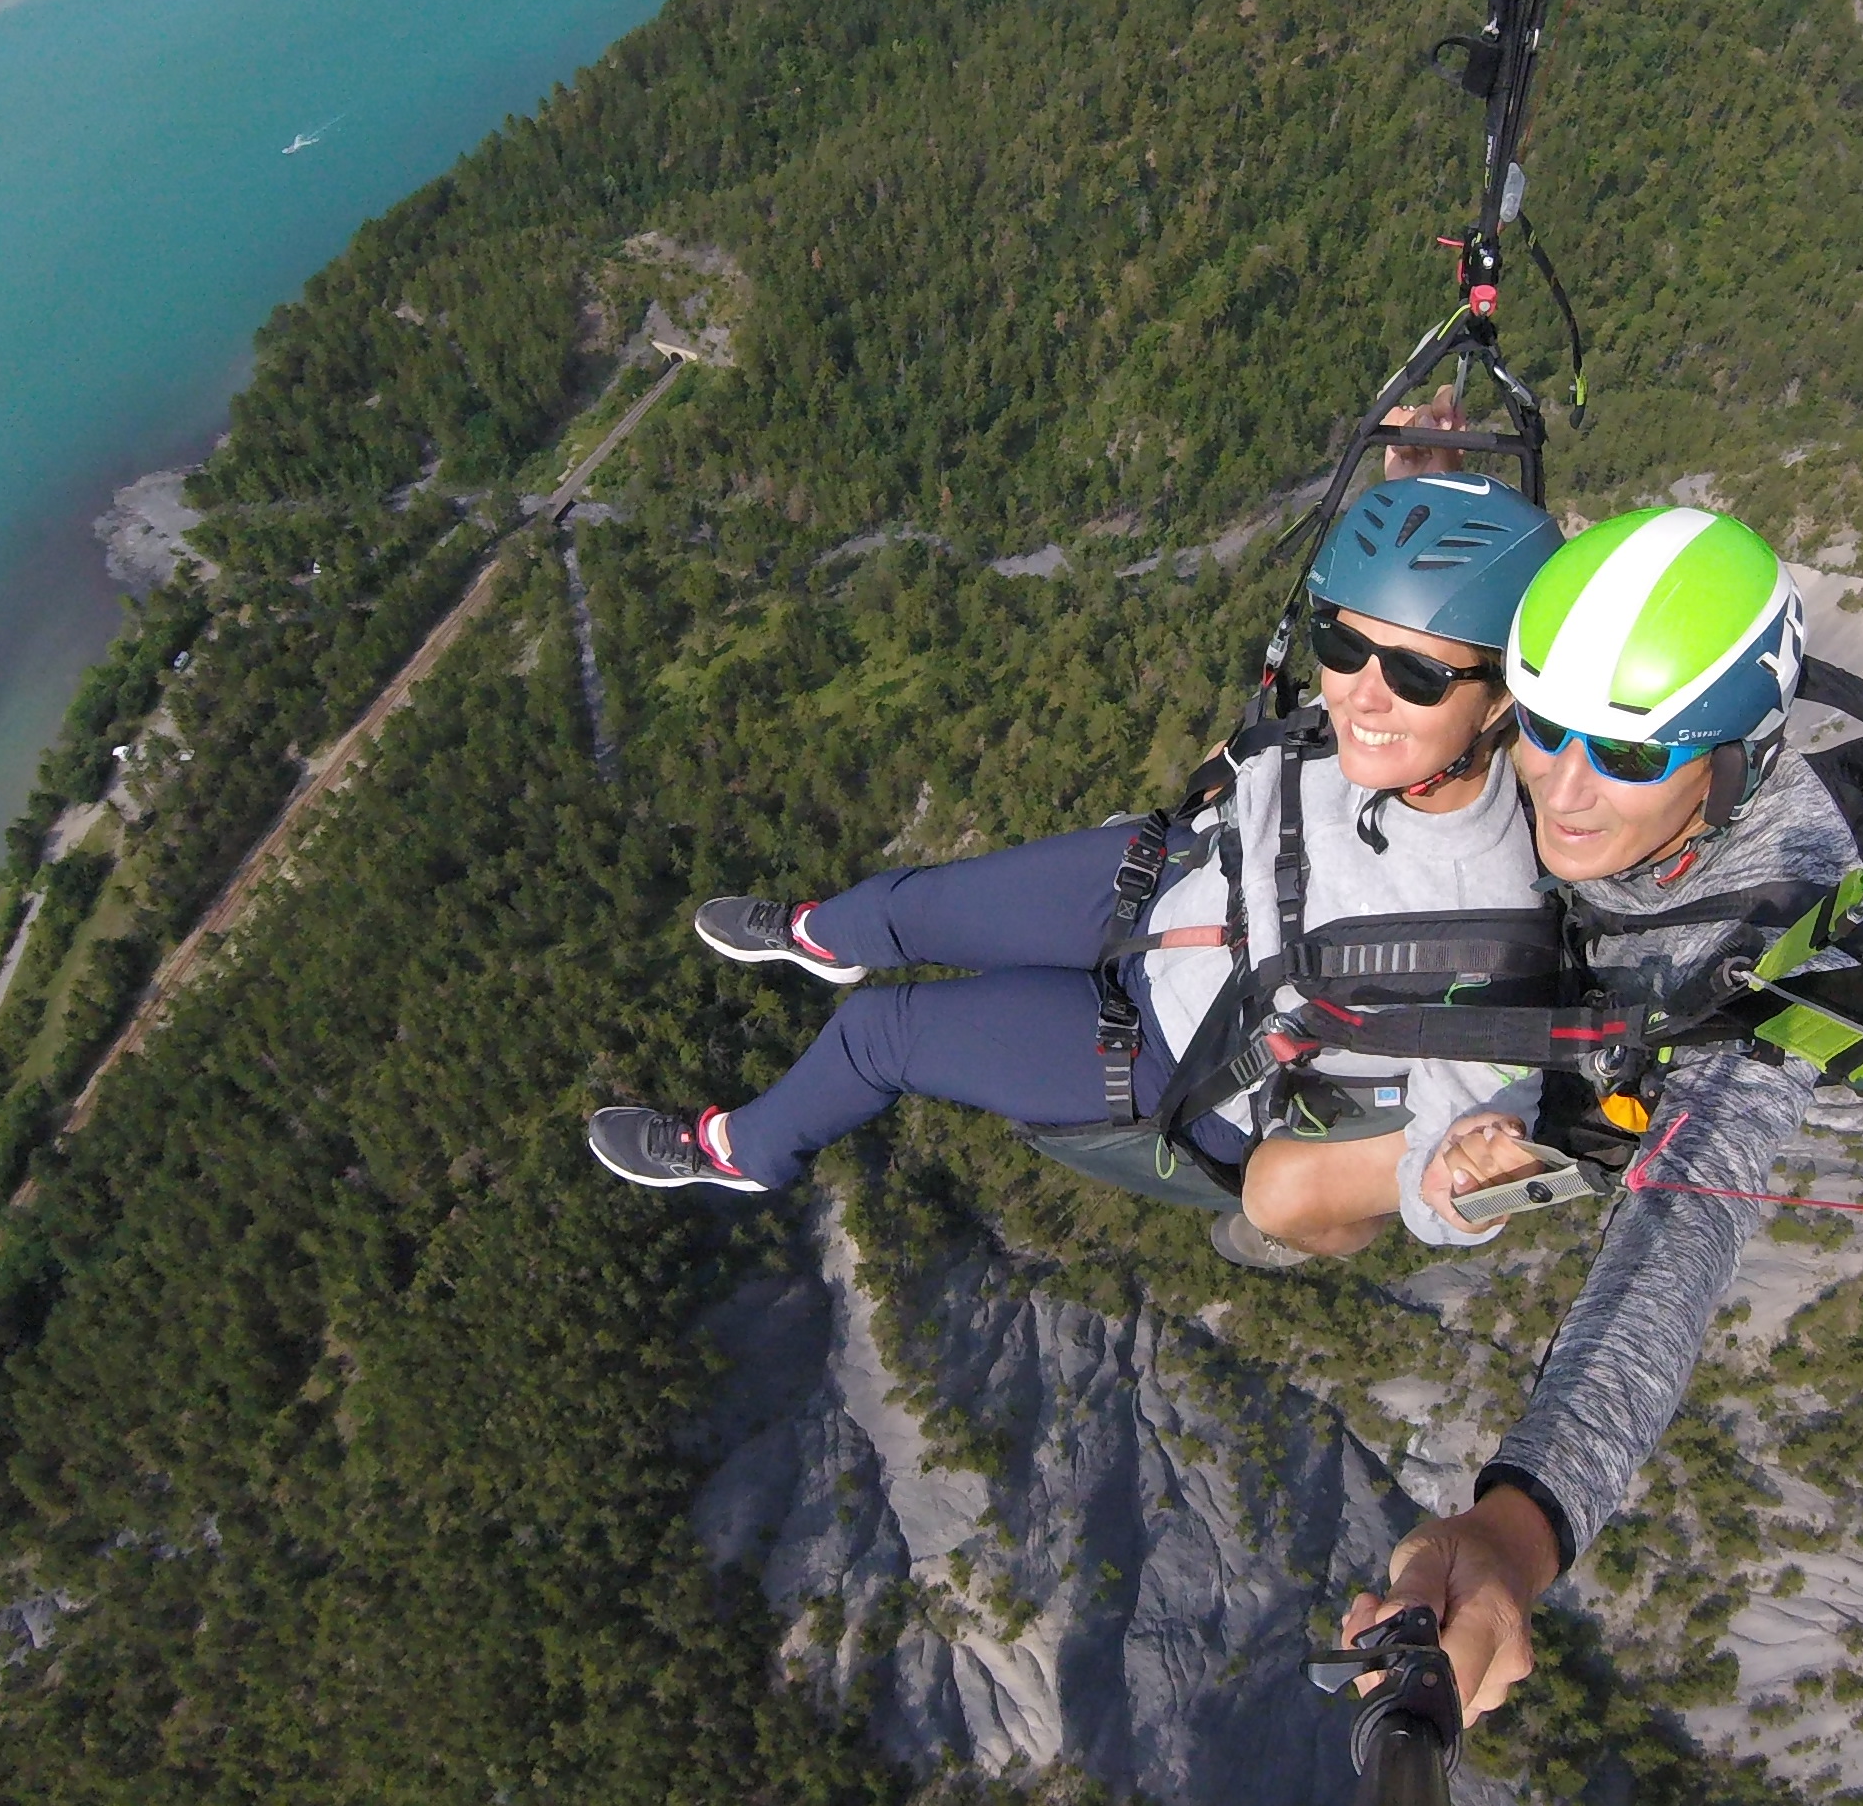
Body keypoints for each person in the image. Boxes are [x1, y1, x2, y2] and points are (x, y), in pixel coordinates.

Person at [587, 475, 1570, 1264]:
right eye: (1342, 645)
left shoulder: (1489, 935)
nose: (1359, 697)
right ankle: (821, 938)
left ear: (1502, 701)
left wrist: (1464, 1187)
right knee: (900, 908)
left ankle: (742, 1153)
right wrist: (1419, 480)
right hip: (1171, 882)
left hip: (1179, 1054)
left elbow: (1463, 1159)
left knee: (880, 1033)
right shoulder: (1373, 732)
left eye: (1417, 674)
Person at [1332, 503, 1863, 1720]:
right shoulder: (1602, 776)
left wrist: (1523, 1529)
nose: (1565, 789)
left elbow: (1678, 1239)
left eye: (1629, 755)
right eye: (1552, 730)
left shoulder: (1778, 938)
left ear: (1733, 764)